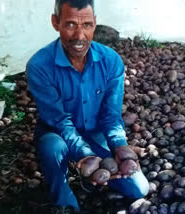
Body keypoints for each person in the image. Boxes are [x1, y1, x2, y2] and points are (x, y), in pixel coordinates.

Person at [26, 0, 149, 213]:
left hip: (95, 134)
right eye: (71, 24)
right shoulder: (39, 66)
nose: (80, 36)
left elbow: (111, 115)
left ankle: (88, 173)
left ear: (95, 24)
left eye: (87, 25)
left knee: (139, 188)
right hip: (58, 135)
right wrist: (85, 154)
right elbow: (59, 121)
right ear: (55, 22)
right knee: (52, 146)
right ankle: (62, 193)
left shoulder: (111, 61)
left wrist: (120, 147)